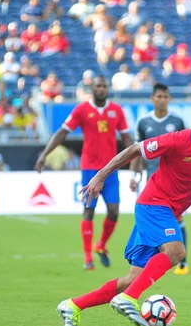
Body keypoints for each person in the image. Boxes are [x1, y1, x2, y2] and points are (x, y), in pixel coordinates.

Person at [55, 98, 191, 326]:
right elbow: (135, 149)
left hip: (167, 213)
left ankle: (72, 305)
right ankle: (129, 299)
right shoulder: (177, 140)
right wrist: (100, 176)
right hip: (153, 204)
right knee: (176, 250)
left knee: (130, 280)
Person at [34, 76, 133, 270]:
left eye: (104, 85)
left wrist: (137, 158)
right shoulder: (81, 109)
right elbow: (63, 132)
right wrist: (45, 154)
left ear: (108, 89)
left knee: (114, 212)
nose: (101, 88)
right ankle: (88, 258)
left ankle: (101, 245)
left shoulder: (117, 110)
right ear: (92, 88)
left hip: (111, 169)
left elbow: (127, 138)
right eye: (98, 85)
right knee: (89, 210)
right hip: (89, 168)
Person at [129, 83, 190, 275]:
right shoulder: (143, 122)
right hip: (152, 181)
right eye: (159, 96)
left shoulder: (178, 122)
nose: (162, 100)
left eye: (165, 96)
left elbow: (187, 149)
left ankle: (182, 262)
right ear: (152, 99)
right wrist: (134, 174)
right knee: (149, 220)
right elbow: (136, 151)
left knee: (177, 219)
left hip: (174, 182)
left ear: (169, 99)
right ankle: (149, 259)